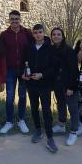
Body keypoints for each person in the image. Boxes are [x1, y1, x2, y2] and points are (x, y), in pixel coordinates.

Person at [22, 24, 58, 153]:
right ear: (33, 34)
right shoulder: (29, 47)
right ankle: (38, 130)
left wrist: (42, 75)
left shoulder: (50, 48)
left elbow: (54, 68)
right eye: (35, 32)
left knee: (46, 110)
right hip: (31, 84)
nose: (38, 34)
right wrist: (24, 74)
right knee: (34, 108)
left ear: (44, 33)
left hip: (45, 85)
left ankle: (50, 137)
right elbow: (24, 63)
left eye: (40, 32)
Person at [0, 10, 33, 135]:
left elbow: (35, 44)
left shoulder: (27, 33)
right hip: (10, 70)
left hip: (24, 70)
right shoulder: (4, 35)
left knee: (23, 95)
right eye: (12, 19)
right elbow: (0, 52)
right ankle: (9, 121)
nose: (14, 21)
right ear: (9, 20)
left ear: (20, 20)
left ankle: (21, 120)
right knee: (9, 96)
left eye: (16, 19)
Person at [50, 27, 80, 146]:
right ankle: (61, 125)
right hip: (58, 85)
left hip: (69, 85)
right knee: (61, 105)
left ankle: (74, 131)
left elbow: (74, 71)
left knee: (73, 109)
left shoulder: (69, 51)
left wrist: (71, 87)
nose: (56, 36)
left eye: (58, 34)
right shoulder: (52, 50)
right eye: (54, 34)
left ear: (62, 37)